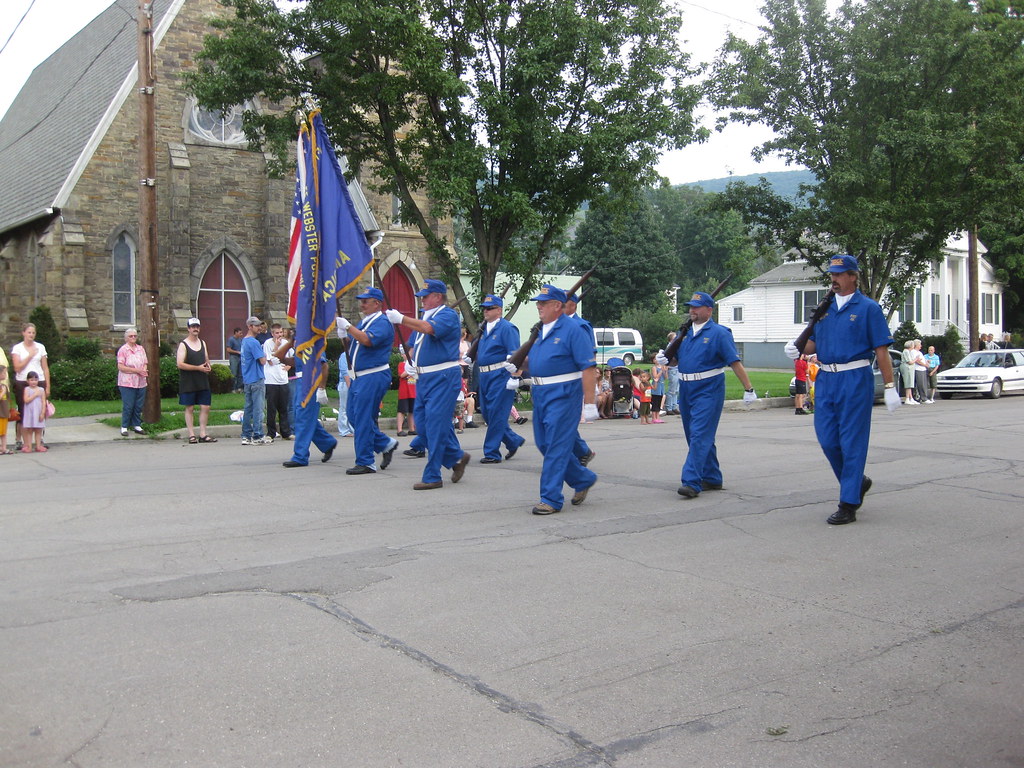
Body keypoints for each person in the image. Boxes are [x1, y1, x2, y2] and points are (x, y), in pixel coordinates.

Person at [784, 254, 899, 525]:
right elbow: (813, 344)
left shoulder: (868, 308)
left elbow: (881, 350)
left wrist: (891, 386)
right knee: (828, 440)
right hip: (826, 380)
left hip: (855, 378)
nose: (834, 279)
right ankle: (857, 482)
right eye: (832, 274)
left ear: (853, 277)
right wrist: (796, 348)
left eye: (839, 274)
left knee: (851, 442)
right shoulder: (824, 310)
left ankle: (848, 502)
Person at [657, 292, 758, 499]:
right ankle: (712, 477)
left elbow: (734, 362)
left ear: (709, 310)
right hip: (686, 388)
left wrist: (748, 388)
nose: (692, 310)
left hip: (708, 388)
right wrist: (665, 359)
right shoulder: (683, 333)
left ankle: (691, 481)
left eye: (697, 307)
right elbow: (676, 361)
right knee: (695, 435)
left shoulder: (719, 333)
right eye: (690, 307)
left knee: (699, 435)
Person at [506, 284, 597, 514]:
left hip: (564, 393)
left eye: (543, 303)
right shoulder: (542, 330)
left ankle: (551, 498)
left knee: (556, 445)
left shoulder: (573, 330)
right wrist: (517, 363)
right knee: (544, 443)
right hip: (541, 393)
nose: (539, 306)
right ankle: (582, 478)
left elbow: (588, 368)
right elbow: (539, 361)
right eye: (538, 303)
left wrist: (589, 403)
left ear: (558, 306)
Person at [385, 279, 469, 490]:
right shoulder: (426, 316)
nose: (421, 299)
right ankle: (456, 458)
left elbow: (428, 329)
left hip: (443, 377)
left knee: (434, 427)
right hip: (424, 378)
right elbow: (413, 345)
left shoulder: (447, 315)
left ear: (438, 297)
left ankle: (433, 475)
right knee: (422, 425)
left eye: (425, 296)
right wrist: (410, 363)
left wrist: (402, 319)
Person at [337, 286, 398, 475]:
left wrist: (348, 327)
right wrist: (344, 337)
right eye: (361, 300)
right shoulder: (365, 322)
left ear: (377, 303)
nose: (362, 304)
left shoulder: (381, 322)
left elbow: (367, 341)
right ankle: (385, 443)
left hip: (373, 375)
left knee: (362, 418)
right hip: (360, 377)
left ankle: (365, 461)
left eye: (366, 301)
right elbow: (356, 345)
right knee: (354, 415)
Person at [471, 293, 526, 463]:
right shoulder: (484, 329)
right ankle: (512, 440)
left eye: (490, 308)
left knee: (496, 414)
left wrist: (514, 377)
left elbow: (515, 355)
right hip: (485, 375)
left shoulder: (507, 328)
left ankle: (492, 452)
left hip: (500, 374)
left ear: (499, 310)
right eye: (484, 309)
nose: (485, 311)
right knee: (487, 413)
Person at [282, 352, 339, 468]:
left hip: (311, 381)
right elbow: (296, 361)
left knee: (303, 419)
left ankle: (300, 456)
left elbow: (323, 365)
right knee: (302, 417)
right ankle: (327, 442)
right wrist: (283, 354)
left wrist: (322, 388)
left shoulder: (314, 339)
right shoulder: (300, 339)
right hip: (300, 381)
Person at [562, 293, 596, 466]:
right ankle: (581, 452)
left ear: (573, 305)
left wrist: (590, 398)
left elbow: (589, 358)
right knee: (557, 422)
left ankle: (578, 454)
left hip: (572, 381)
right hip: (552, 382)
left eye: (564, 303)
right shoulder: (553, 325)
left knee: (564, 422)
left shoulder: (581, 326)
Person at [176, 318, 217, 444]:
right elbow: (180, 364)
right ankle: (191, 434)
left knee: (205, 406)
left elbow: (206, 359)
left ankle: (203, 434)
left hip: (202, 380)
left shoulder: (202, 343)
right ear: (188, 329)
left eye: (197, 326)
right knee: (190, 407)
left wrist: (208, 366)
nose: (195, 329)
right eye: (193, 326)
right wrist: (197, 368)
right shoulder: (183, 344)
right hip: (188, 381)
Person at [11, 322, 50, 451]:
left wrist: (47, 386)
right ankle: (20, 440)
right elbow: (17, 367)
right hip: (22, 381)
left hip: (39, 381)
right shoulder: (18, 348)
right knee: (23, 411)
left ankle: (39, 440)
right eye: (29, 332)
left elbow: (45, 367)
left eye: (33, 333)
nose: (31, 335)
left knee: (40, 410)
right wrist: (30, 355)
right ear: (23, 333)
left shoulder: (40, 347)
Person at [240, 315, 271, 445]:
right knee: (258, 408)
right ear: (249, 326)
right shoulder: (254, 342)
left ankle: (246, 435)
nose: (259, 328)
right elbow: (263, 361)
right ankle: (257, 435)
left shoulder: (244, 341)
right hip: (257, 378)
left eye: (259, 325)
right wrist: (265, 353)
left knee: (248, 408)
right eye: (256, 325)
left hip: (247, 379)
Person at [116, 327, 149, 436]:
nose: (133, 338)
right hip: (127, 382)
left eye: (135, 336)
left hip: (140, 382)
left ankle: (137, 425)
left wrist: (143, 370)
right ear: (126, 338)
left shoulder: (140, 349)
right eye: (131, 336)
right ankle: (124, 426)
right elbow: (120, 366)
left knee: (138, 405)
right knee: (128, 405)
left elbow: (145, 362)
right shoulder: (123, 350)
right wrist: (136, 370)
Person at [263, 323, 292, 439]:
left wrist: (288, 366)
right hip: (271, 380)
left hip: (283, 379)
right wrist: (276, 347)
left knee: (283, 408)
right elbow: (270, 361)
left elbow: (291, 359)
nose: (279, 335)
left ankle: (286, 432)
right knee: (271, 409)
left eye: (281, 332)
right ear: (272, 333)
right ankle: (271, 432)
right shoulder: (267, 344)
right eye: (277, 333)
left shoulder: (286, 344)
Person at [20, 371, 47, 452]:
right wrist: (35, 394)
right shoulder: (27, 389)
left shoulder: (41, 390)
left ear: (38, 380)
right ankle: (29, 446)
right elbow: (26, 400)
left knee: (38, 430)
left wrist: (42, 413)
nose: (33, 382)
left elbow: (43, 401)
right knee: (30, 430)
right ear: (27, 381)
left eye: (35, 380)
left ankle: (38, 446)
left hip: (38, 412)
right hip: (30, 412)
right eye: (31, 380)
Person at [395, 351, 416, 437]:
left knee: (412, 410)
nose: (405, 355)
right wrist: (411, 370)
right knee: (402, 410)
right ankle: (399, 429)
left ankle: (412, 429)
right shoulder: (401, 364)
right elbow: (402, 375)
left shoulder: (414, 364)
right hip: (404, 392)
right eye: (404, 354)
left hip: (413, 391)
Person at [336, 345, 354, 438]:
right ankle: (344, 430)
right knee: (344, 407)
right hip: (345, 384)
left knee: (351, 407)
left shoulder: (355, 354)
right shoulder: (344, 355)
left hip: (354, 382)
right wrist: (349, 385)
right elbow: (344, 372)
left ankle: (352, 428)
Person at [663, 331, 680, 415]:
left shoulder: (676, 347)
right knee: (672, 389)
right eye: (674, 338)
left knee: (676, 389)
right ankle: (669, 407)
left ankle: (674, 406)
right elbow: (670, 359)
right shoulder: (670, 348)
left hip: (677, 368)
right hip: (672, 369)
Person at [0, 348, 11, 455]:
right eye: (3, 373)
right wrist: (2, 393)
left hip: (4, 411)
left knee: (4, 431)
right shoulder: (1, 387)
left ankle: (4, 447)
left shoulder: (4, 385)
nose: (5, 374)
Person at [226, 327, 244, 392]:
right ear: (236, 332)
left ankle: (239, 388)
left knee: (240, 373)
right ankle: (233, 388)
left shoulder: (240, 340)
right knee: (234, 373)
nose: (241, 334)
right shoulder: (231, 340)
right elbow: (228, 349)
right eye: (240, 333)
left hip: (240, 357)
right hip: (234, 357)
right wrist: (237, 352)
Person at [912, 339, 929, 404]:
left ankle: (924, 397)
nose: (921, 346)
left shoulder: (920, 352)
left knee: (924, 384)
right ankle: (923, 398)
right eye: (920, 344)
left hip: (923, 369)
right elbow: (917, 361)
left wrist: (926, 363)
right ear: (916, 345)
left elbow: (923, 360)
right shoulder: (913, 352)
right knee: (920, 384)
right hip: (918, 369)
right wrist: (924, 364)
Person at [900, 340, 917, 405]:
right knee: (908, 383)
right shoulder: (906, 351)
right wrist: (916, 359)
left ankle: (911, 398)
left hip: (909, 368)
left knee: (910, 383)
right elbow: (909, 362)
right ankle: (907, 398)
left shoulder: (908, 351)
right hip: (907, 368)